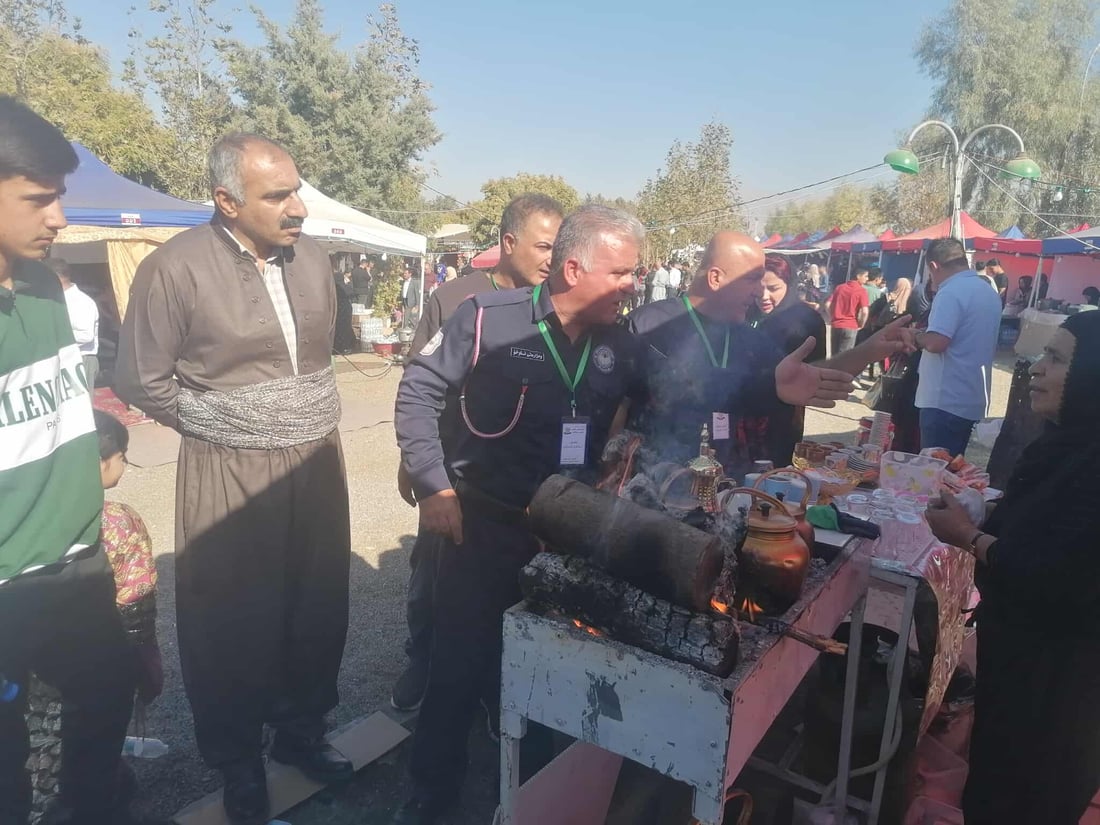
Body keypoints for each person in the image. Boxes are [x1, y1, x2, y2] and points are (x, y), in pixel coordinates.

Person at [116, 133, 353, 825]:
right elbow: (139, 377)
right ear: (225, 199)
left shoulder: (313, 260)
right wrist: (232, 423)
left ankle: (301, 731)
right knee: (233, 617)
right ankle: (239, 761)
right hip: (229, 464)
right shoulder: (174, 268)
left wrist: (286, 417)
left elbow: (320, 360)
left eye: (297, 189)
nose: (298, 207)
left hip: (315, 456)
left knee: (315, 602)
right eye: (277, 195)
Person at [392, 205, 646, 823]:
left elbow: (657, 397)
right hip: (481, 525)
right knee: (458, 663)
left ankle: (535, 793)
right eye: (622, 273)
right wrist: (433, 488)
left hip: (565, 533)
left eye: (636, 274)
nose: (632, 285)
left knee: (550, 666)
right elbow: (417, 391)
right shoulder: (485, 318)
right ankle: (432, 792)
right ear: (572, 267)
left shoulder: (619, 341)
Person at [0, 96, 139, 825]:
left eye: (59, 196)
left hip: (75, 561)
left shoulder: (49, 287)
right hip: (4, 583)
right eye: (38, 198)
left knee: (109, 691)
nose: (57, 216)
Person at [391, 193, 564, 713]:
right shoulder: (456, 300)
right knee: (431, 577)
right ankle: (421, 658)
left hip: (507, 485)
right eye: (544, 246)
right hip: (450, 470)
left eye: (560, 247)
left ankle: (496, 692)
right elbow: (419, 383)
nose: (553, 259)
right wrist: (422, 473)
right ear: (509, 243)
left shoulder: (554, 305)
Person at [925, 311, 1100, 825]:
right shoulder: (1066, 445)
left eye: (1057, 359)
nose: (1037, 369)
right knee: (995, 781)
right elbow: (1047, 529)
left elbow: (1062, 577)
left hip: (1060, 683)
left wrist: (970, 537)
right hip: (1021, 660)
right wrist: (989, 517)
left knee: (1026, 797)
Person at [627, 232, 914, 475]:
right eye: (752, 279)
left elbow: (807, 379)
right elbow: (618, 410)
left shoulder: (752, 340)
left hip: (730, 487)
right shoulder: (649, 324)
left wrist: (868, 350)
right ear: (716, 278)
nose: (758, 292)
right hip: (657, 486)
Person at [913, 237, 1002, 457]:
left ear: (934, 266)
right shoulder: (988, 291)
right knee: (951, 471)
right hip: (970, 397)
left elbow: (936, 342)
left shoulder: (950, 291)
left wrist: (916, 336)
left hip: (943, 399)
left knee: (933, 473)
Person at [751, 254, 827, 459]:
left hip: (782, 416)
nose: (764, 296)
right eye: (758, 288)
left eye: (773, 288)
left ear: (789, 283)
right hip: (740, 414)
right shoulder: (744, 311)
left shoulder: (808, 320)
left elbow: (818, 369)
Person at [49, 258, 100, 391]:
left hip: (81, 359)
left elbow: (86, 335)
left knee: (80, 406)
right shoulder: (56, 298)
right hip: (61, 358)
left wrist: (53, 337)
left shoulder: (82, 302)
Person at [825, 267, 870, 355]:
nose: (867, 279)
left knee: (834, 355)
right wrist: (861, 324)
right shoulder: (861, 290)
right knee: (845, 357)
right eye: (865, 276)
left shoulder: (839, 287)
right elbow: (865, 311)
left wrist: (832, 317)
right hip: (850, 325)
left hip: (836, 325)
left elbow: (827, 304)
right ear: (858, 276)